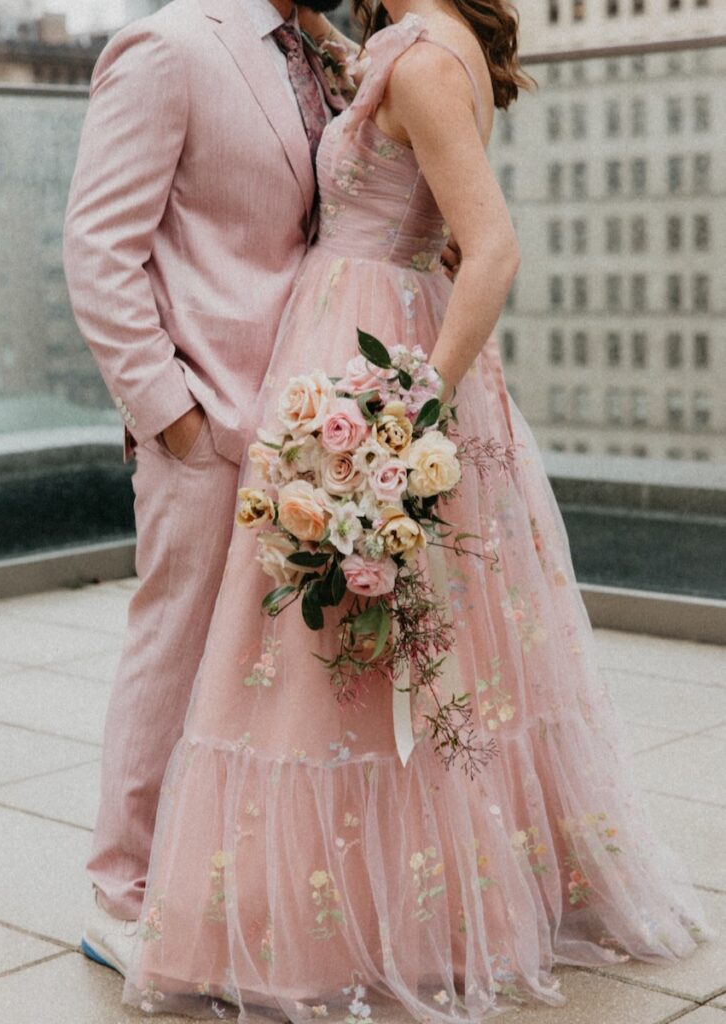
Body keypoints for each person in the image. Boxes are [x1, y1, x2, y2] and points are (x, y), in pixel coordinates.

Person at [122, 0, 712, 1019]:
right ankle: (389, 891)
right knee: (393, 645)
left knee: (336, 651)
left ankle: (352, 911)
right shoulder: (415, 44)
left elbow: (492, 251)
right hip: (363, 329)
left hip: (373, 355)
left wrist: (404, 412)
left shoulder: (429, 58)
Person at [62, 0, 377, 975]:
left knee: (257, 668)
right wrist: (174, 416)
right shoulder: (168, 48)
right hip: (203, 423)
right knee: (172, 649)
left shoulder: (318, 53)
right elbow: (98, 248)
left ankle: (214, 873)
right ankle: (122, 891)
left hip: (300, 421)